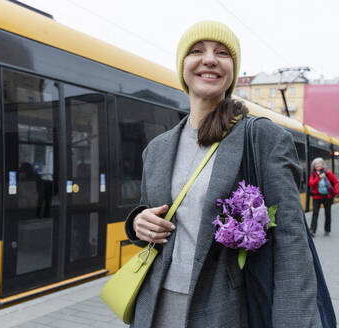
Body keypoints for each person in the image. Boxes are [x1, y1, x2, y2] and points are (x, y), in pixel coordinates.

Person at [124, 21, 321, 327]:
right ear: (183, 66)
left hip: (225, 312)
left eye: (222, 52)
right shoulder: (157, 148)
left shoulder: (262, 139)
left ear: (232, 69)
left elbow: (291, 243)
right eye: (196, 51)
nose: (209, 59)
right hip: (155, 306)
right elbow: (152, 214)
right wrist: (138, 222)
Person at [308, 158, 339, 237]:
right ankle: (312, 230)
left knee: (327, 213)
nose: (318, 165)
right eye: (316, 164)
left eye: (319, 163)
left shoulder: (328, 172)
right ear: (314, 166)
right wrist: (319, 178)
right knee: (315, 213)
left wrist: (336, 192)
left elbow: (336, 182)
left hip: (328, 196)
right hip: (317, 197)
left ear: (322, 164)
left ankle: (327, 230)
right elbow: (311, 183)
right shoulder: (313, 174)